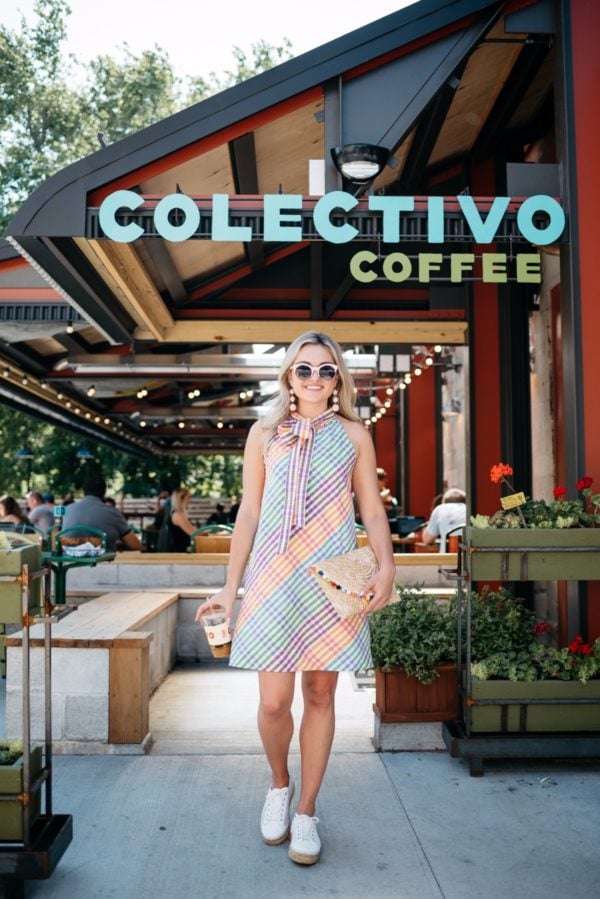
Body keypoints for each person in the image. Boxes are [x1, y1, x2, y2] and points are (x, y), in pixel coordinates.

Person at [195, 331, 395, 867]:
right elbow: (249, 513)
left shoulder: (354, 434)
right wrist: (230, 587)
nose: (314, 378)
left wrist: (387, 565)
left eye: (325, 370)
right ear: (288, 374)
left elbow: (372, 509)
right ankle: (279, 784)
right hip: (273, 579)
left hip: (331, 579)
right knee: (273, 703)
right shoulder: (264, 433)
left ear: (337, 379)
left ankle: (307, 810)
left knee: (322, 695)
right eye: (303, 369)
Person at [62, 474, 142, 551]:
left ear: (84, 491)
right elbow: (135, 545)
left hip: (69, 558)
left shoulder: (67, 510)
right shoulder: (113, 513)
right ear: (104, 492)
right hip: (104, 559)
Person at [157, 487, 196, 552]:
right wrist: (209, 532)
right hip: (178, 551)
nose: (190, 500)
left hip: (183, 548)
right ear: (181, 498)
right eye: (188, 497)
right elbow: (192, 533)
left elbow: (193, 530)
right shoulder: (177, 515)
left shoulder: (181, 513)